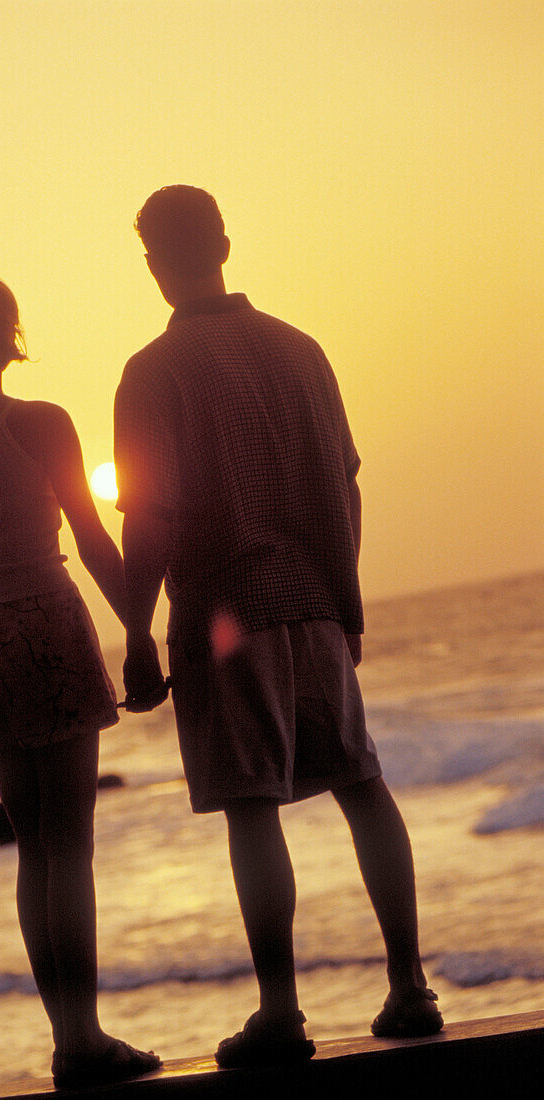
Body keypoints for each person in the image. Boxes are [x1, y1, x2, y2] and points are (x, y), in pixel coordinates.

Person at [114, 186, 443, 1069]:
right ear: (223, 241)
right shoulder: (301, 351)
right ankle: (409, 985)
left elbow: (152, 512)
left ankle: (280, 1010)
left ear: (152, 263)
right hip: (315, 602)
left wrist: (138, 629)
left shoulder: (153, 373)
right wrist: (347, 599)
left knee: (251, 806)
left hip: (226, 612)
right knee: (360, 784)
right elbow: (344, 481)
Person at [0, 270, 160, 1090]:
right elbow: (89, 539)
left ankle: (67, 1038)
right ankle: (85, 1040)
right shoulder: (40, 421)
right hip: (47, 623)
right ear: (8, 332)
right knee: (69, 849)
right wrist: (141, 631)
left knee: (30, 851)